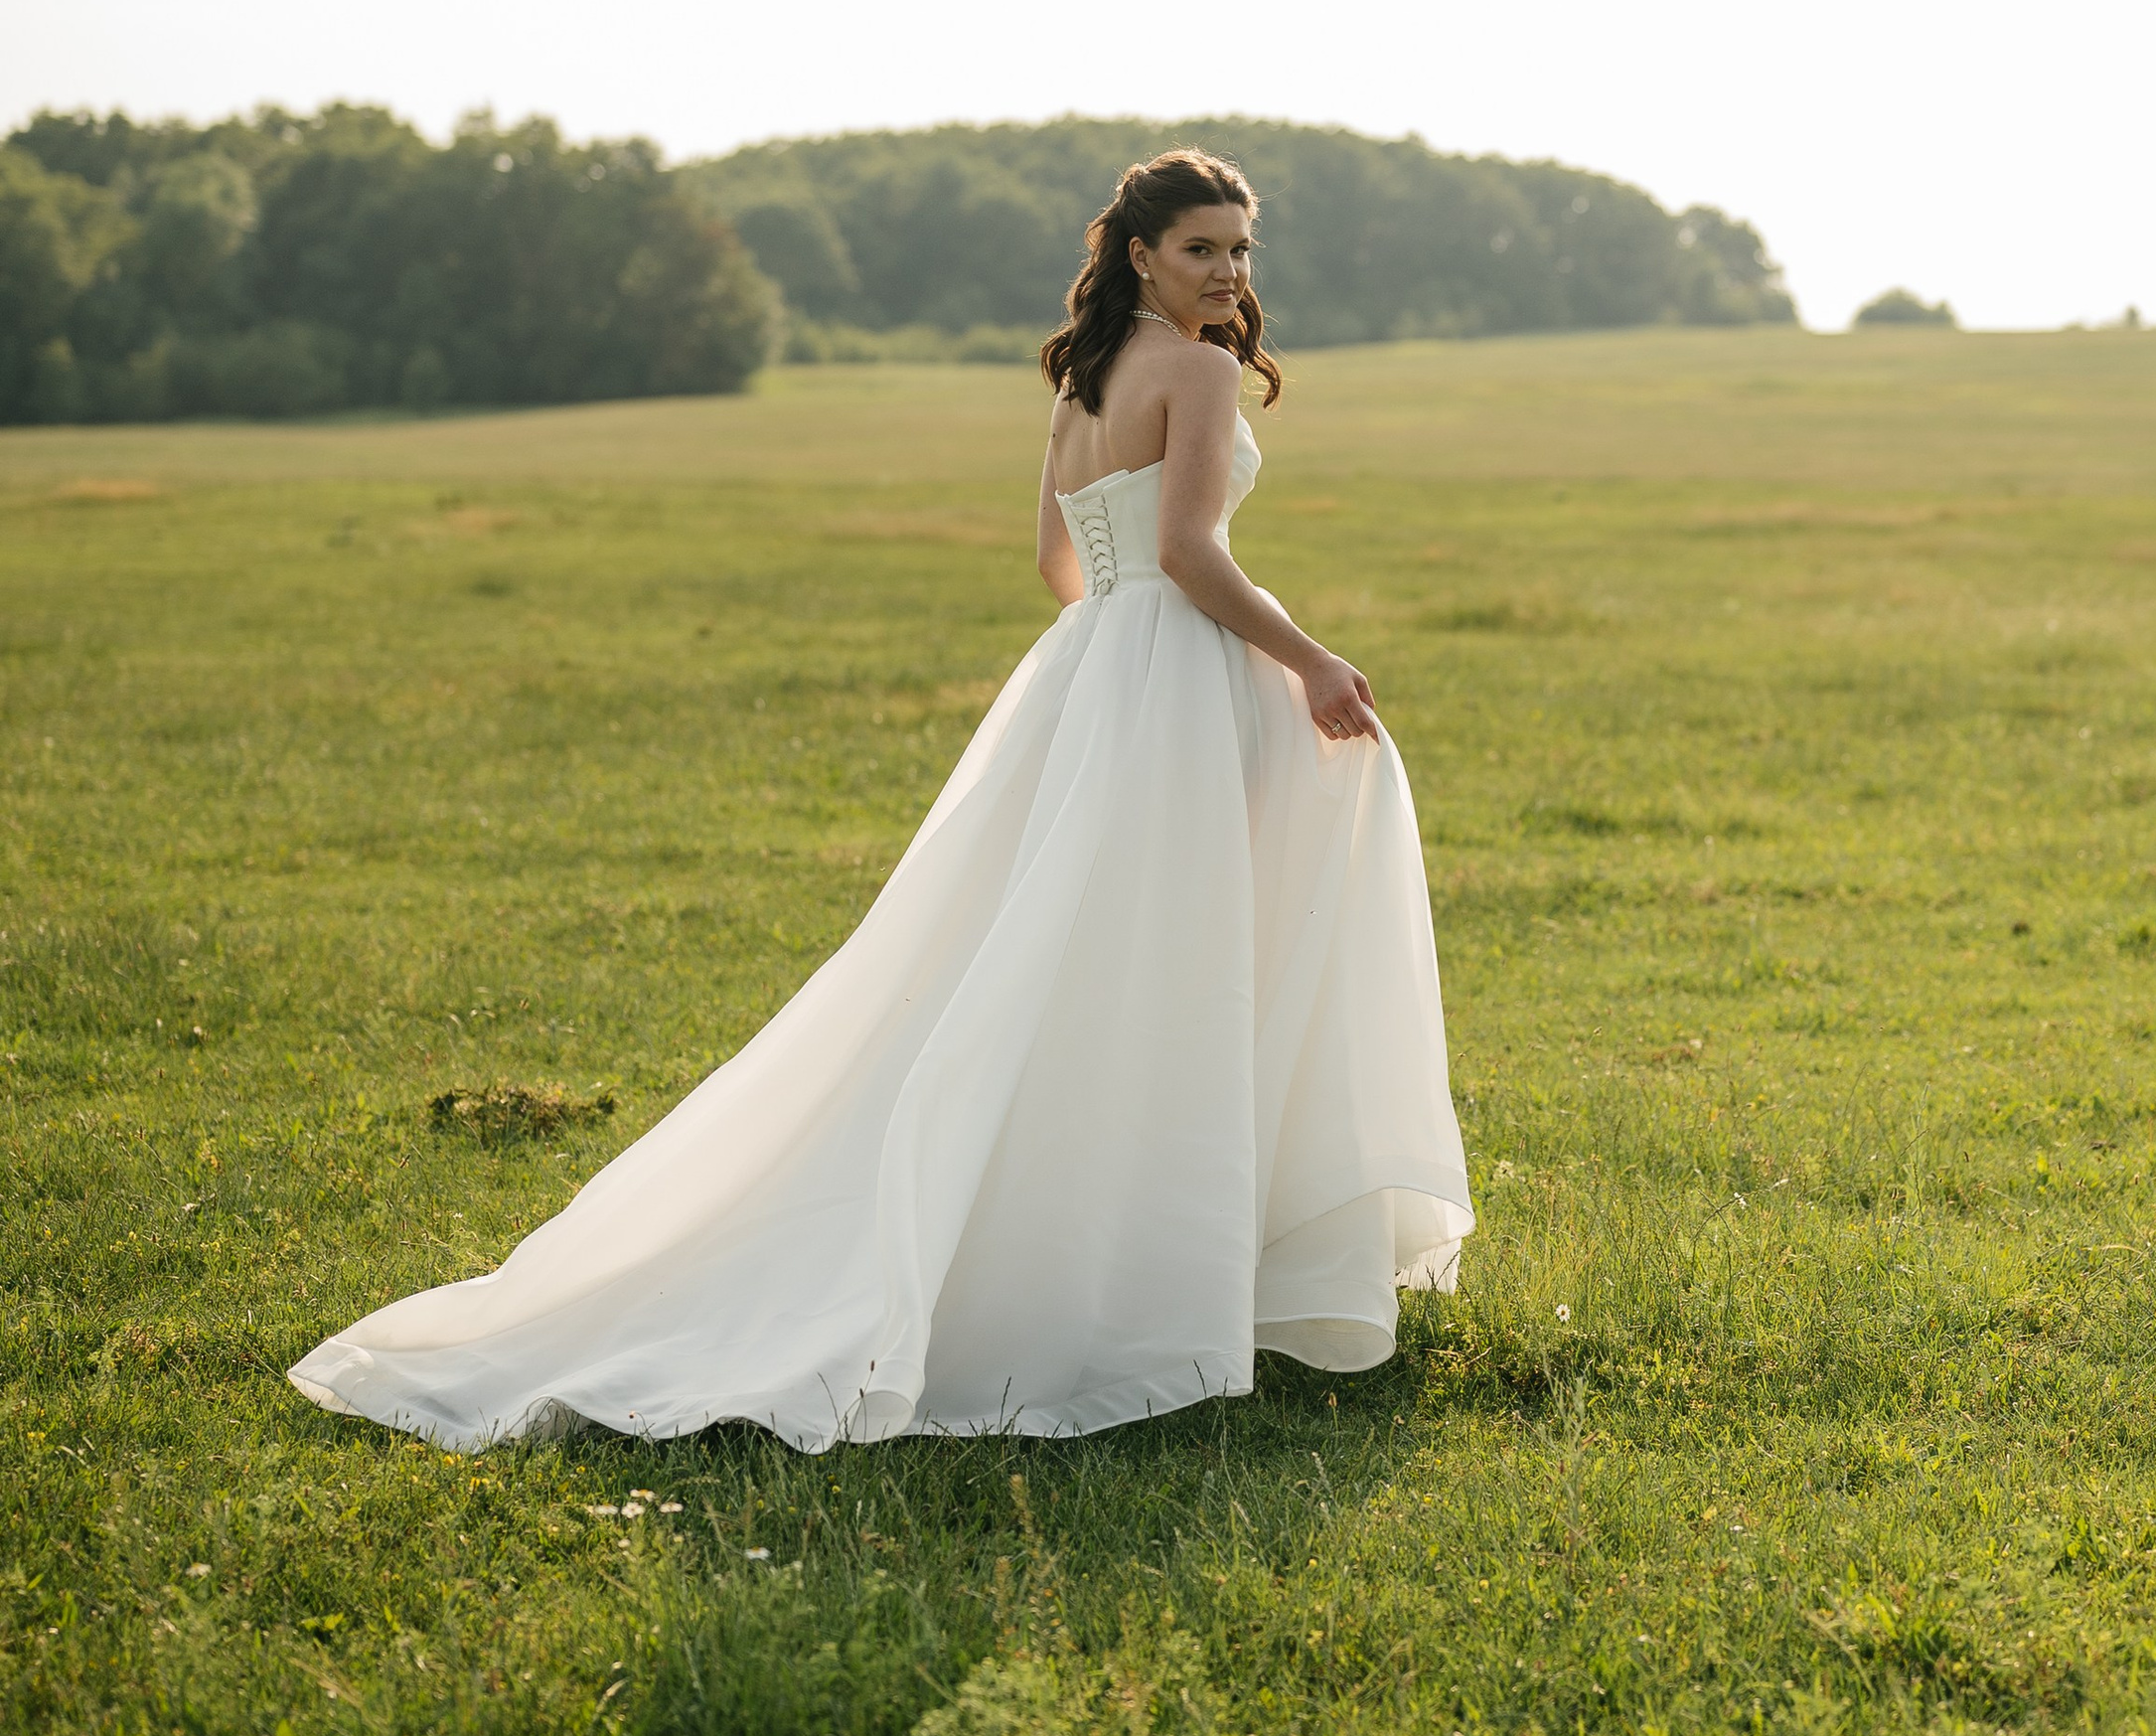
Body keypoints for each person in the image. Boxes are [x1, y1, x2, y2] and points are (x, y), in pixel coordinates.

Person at [290, 148, 1472, 1450]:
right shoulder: (1193, 372)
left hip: (1093, 674)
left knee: (1065, 959)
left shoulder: (1081, 379)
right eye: (1203, 248)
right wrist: (1306, 661)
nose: (1229, 273)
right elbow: (1189, 550)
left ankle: (1146, 1250)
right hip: (1171, 678)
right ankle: (1174, 1268)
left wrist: (1116, 655)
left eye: (1241, 249)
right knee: (1178, 954)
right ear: (1141, 255)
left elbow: (1059, 564)